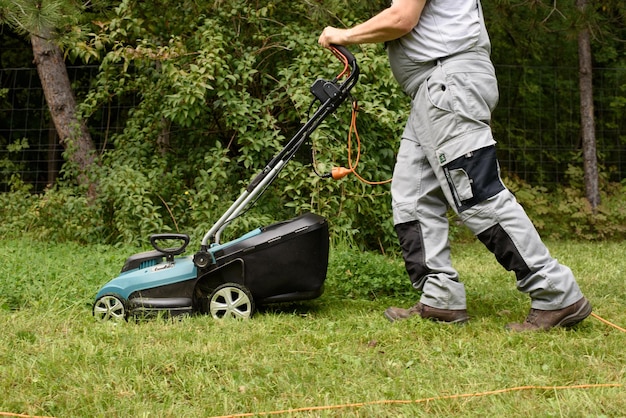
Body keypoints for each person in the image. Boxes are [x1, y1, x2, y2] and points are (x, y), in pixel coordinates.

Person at [318, 0, 592, 331]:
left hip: (448, 85)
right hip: (434, 90)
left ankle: (555, 293)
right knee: (412, 197)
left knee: (477, 193)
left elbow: (401, 19)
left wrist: (344, 35)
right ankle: (441, 299)